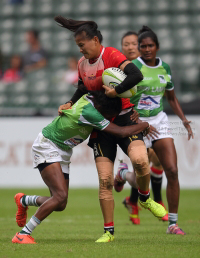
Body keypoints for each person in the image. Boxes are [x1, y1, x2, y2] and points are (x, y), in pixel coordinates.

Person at [55, 16, 166, 243]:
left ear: (95, 40)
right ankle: (108, 232)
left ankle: (144, 198)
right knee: (105, 180)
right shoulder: (81, 64)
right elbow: (82, 89)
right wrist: (70, 103)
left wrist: (117, 92)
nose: (81, 50)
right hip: (100, 127)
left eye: (82, 45)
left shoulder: (112, 55)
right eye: (78, 47)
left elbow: (137, 75)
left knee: (141, 161)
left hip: (125, 119)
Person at [12, 91, 150, 244]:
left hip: (62, 150)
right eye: (108, 114)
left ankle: (24, 200)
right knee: (60, 196)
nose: (108, 117)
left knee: (60, 203)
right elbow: (121, 131)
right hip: (47, 146)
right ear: (100, 108)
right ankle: (23, 234)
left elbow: (86, 87)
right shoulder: (90, 112)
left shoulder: (92, 101)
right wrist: (145, 124)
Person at [114, 26, 194, 235]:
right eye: (143, 46)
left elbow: (171, 97)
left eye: (150, 46)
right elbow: (121, 96)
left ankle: (173, 224)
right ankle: (123, 174)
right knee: (143, 173)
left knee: (173, 171)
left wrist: (184, 119)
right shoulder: (132, 68)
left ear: (157, 47)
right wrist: (132, 114)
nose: (147, 49)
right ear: (139, 48)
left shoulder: (164, 68)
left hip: (159, 122)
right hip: (135, 124)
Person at [115, 31, 168, 225]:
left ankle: (133, 200)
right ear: (121, 48)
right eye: (126, 44)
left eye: (133, 44)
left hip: (148, 121)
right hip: (127, 125)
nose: (130, 47)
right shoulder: (118, 70)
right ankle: (150, 199)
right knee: (145, 163)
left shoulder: (145, 68)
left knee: (156, 160)